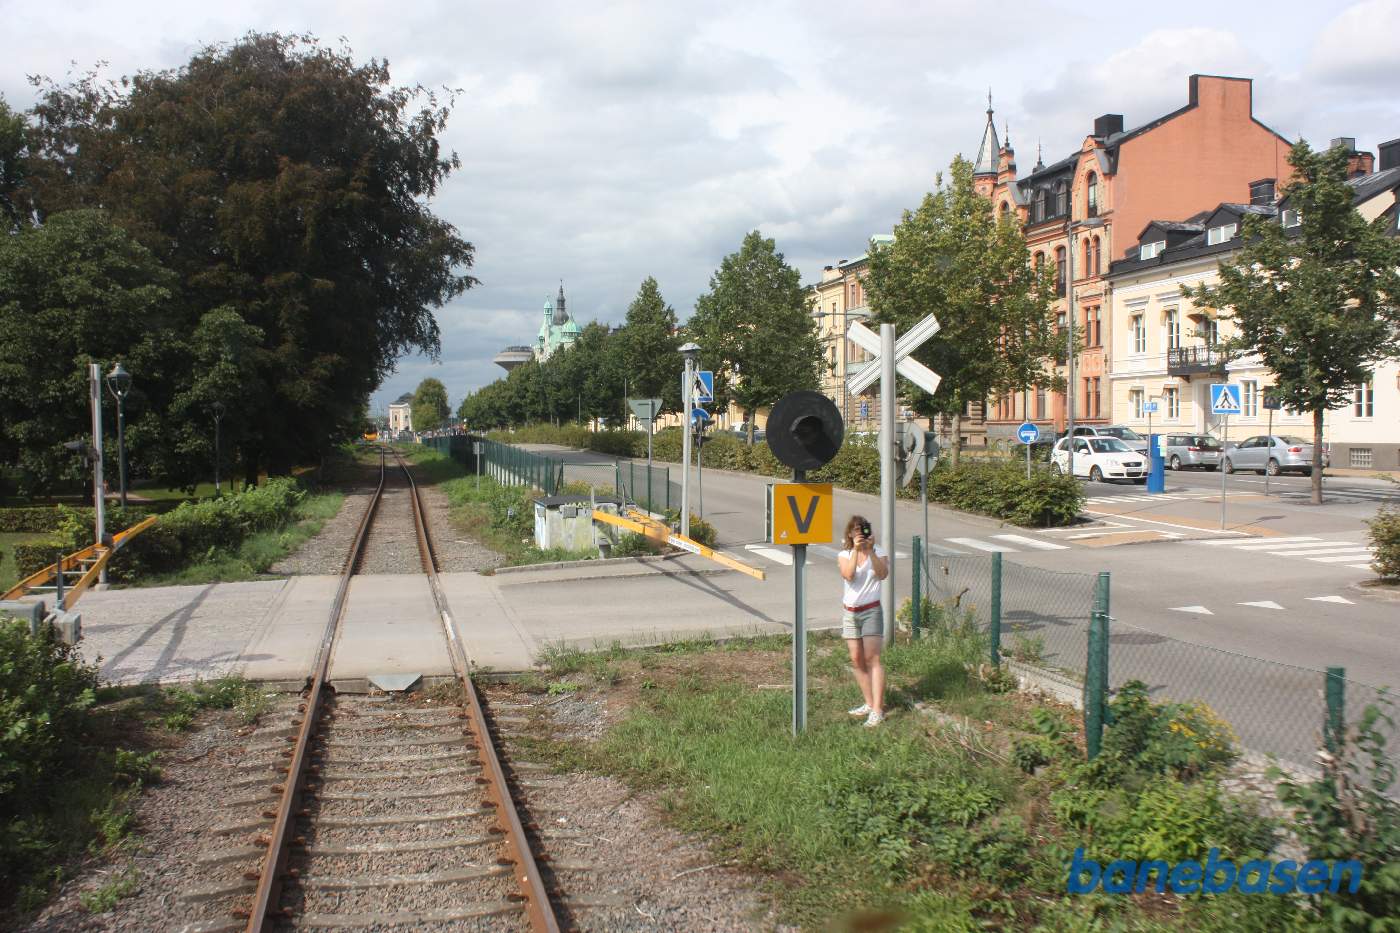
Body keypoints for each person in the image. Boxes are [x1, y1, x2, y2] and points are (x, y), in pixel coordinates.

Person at [838, 514, 888, 727]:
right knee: (856, 659)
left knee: (872, 658)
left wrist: (870, 552)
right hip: (850, 613)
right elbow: (848, 575)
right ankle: (868, 703)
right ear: (849, 534)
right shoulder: (844, 554)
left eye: (863, 529)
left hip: (871, 611)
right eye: (856, 530)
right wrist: (857, 551)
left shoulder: (879, 552)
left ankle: (878, 710)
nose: (860, 533)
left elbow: (883, 574)